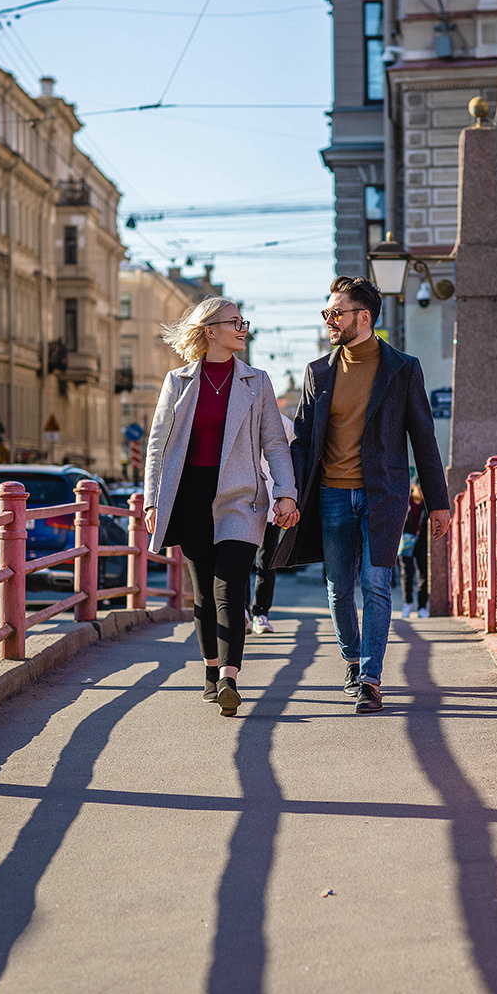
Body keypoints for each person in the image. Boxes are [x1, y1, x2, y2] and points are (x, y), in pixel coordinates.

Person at [272, 276, 450, 714]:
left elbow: (423, 438)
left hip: (383, 495)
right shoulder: (318, 373)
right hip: (331, 495)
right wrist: (289, 493)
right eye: (327, 313)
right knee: (338, 589)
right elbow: (302, 441)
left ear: (363, 317)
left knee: (375, 583)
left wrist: (438, 501)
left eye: (337, 313)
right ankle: (353, 660)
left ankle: (370, 677)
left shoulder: (402, 369)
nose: (329, 320)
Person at [144, 296, 299, 717]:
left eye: (243, 321)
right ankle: (211, 670)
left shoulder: (257, 381)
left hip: (241, 495)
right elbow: (158, 445)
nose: (243, 328)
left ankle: (230, 676)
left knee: (229, 584)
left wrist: (286, 491)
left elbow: (275, 443)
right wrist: (153, 500)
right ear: (210, 330)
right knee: (203, 594)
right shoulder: (178, 382)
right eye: (235, 322)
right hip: (190, 494)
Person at [248, 412, 295, 634]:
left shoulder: (284, 424)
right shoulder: (241, 417)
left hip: (271, 506)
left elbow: (294, 458)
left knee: (267, 563)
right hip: (243, 505)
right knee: (239, 562)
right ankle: (242, 613)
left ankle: (260, 614)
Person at [400, 479, 429, 619]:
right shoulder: (406, 502)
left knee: (424, 573)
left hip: (422, 543)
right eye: (419, 488)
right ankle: (407, 604)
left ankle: (422, 607)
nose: (422, 492)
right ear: (413, 487)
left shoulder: (426, 505)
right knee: (407, 573)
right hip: (406, 541)